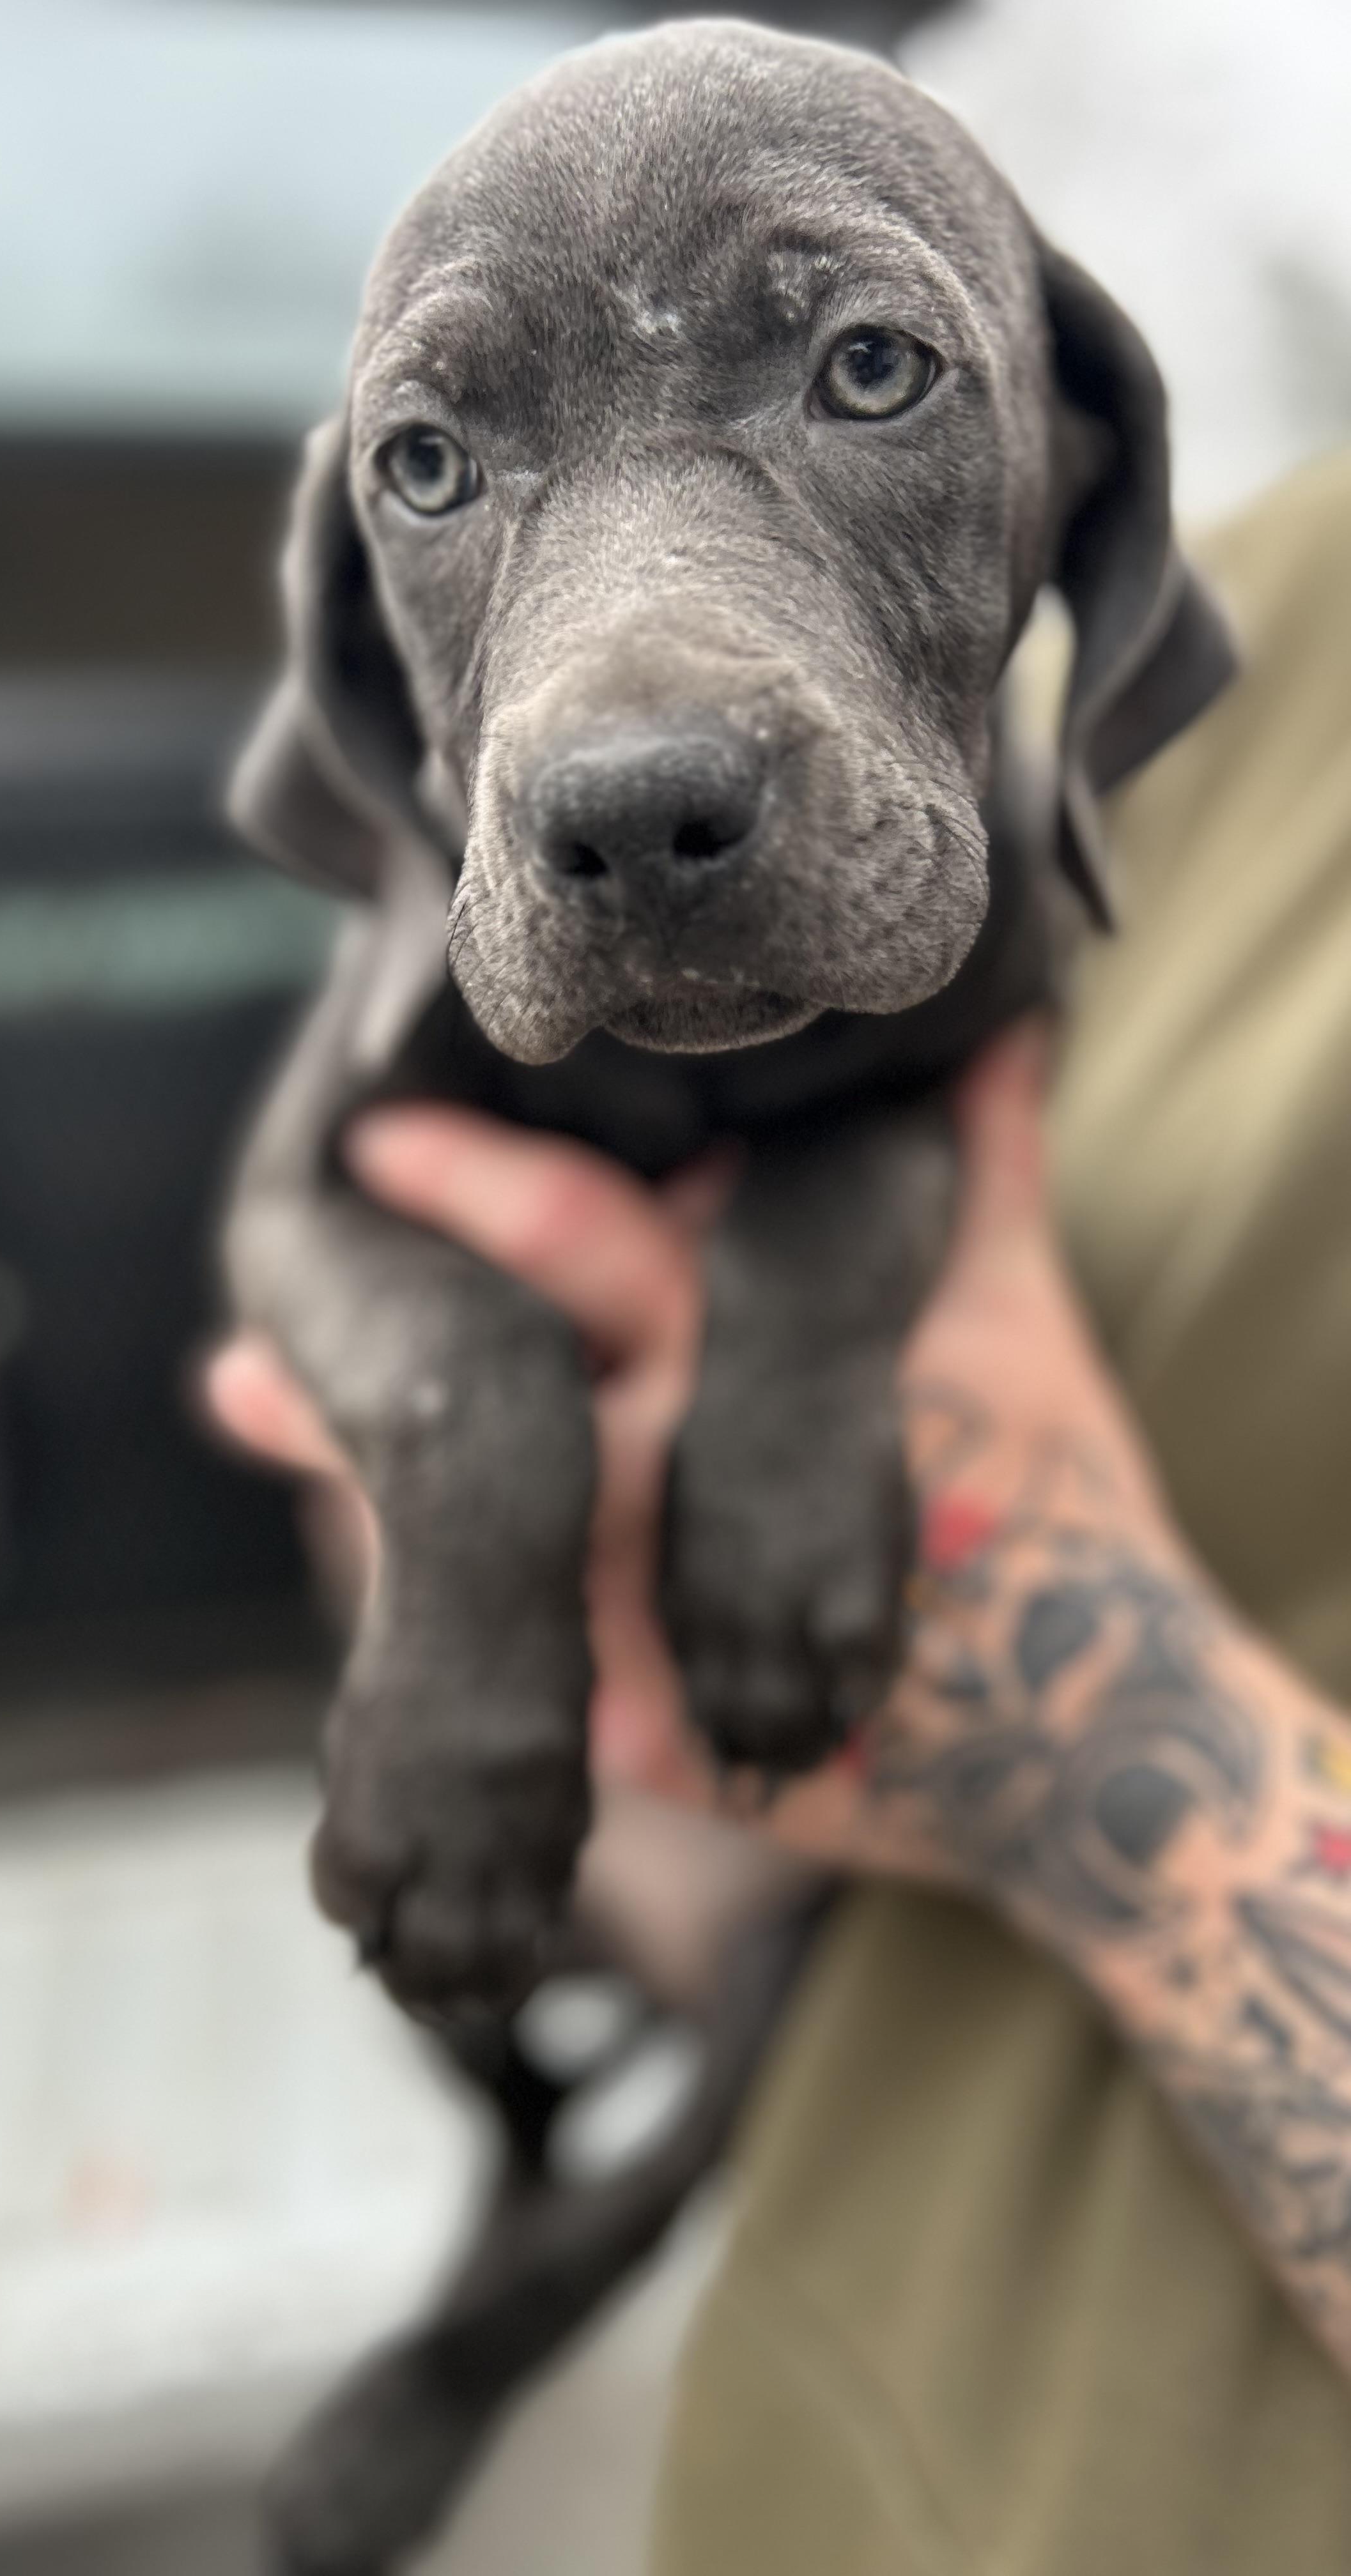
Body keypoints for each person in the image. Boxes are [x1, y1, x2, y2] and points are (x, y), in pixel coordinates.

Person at [210, 447, 1351, 2573]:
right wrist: (517, 1564)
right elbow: (907, 1097)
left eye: (863, 368)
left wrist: (1088, 1725)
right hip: (825, 2424)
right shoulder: (1255, 610)